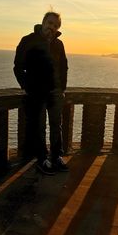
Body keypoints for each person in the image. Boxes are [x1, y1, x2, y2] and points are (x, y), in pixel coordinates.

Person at [13, 11, 69, 175]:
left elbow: (63, 67)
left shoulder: (59, 45)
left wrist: (62, 88)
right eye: (49, 23)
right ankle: (42, 159)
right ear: (43, 22)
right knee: (39, 127)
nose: (51, 27)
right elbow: (18, 67)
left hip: (55, 92)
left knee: (55, 126)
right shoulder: (28, 40)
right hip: (36, 93)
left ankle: (56, 156)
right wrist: (27, 86)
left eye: (55, 25)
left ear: (57, 28)